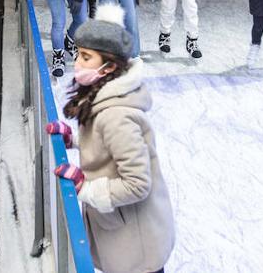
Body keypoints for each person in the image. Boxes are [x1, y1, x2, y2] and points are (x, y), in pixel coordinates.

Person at [48, 14, 175, 273]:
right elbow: (106, 146)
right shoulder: (101, 97)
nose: (77, 63)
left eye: (86, 57)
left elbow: (138, 183)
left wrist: (87, 187)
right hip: (122, 233)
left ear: (108, 67)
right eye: (78, 54)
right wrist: (72, 140)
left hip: (135, 246)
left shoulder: (115, 115)